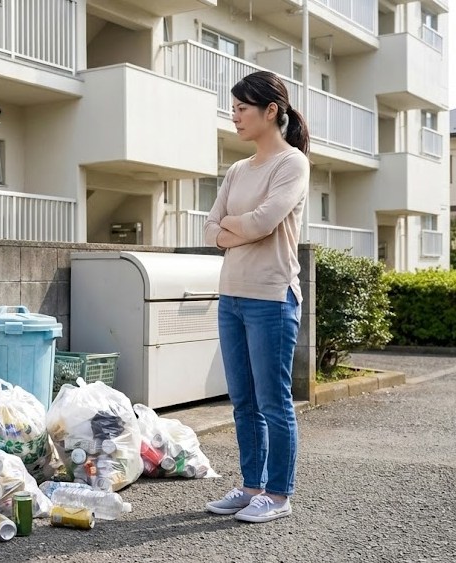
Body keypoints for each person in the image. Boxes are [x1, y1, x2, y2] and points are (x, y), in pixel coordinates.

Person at [202, 71, 311, 523]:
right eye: (233, 108)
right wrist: (238, 228)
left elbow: (264, 222)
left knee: (273, 403)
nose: (235, 116)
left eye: (242, 108)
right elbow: (210, 229)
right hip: (231, 296)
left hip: (272, 297)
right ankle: (251, 487)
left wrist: (234, 226)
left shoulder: (292, 164)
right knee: (243, 402)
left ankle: (279, 495)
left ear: (271, 111)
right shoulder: (237, 170)